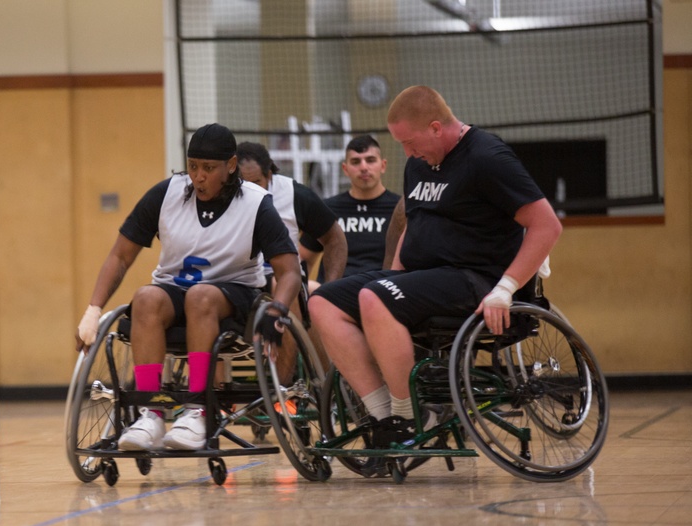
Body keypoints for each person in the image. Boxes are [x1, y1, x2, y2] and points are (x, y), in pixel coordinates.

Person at [310, 85, 562, 450]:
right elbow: (415, 224)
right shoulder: (419, 163)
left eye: (409, 143)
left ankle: (408, 415)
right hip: (423, 278)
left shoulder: (487, 157)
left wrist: (505, 288)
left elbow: (547, 226)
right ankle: (383, 416)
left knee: (374, 297)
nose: (407, 153)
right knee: (323, 302)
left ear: (435, 127)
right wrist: (396, 273)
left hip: (473, 279)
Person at [75, 123, 301, 452]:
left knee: (201, 296)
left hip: (236, 297)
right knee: (145, 297)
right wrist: (93, 309)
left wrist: (279, 309)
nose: (198, 176)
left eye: (209, 168)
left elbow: (290, 270)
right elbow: (121, 256)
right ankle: (149, 412)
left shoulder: (256, 203)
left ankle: (197, 409)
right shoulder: (167, 193)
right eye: (193, 166)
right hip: (175, 294)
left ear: (231, 166)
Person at [235, 141, 346, 285]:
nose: (249, 189)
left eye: (256, 183)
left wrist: (331, 288)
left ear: (268, 175)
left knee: (281, 283)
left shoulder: (295, 194)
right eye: (243, 183)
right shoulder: (223, 196)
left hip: (283, 279)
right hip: (239, 282)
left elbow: (335, 239)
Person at [298, 134, 401, 289]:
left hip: (380, 291)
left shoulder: (400, 209)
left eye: (370, 160)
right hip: (334, 293)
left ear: (383, 165)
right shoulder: (327, 208)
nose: (364, 167)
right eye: (356, 161)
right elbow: (303, 258)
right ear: (345, 169)